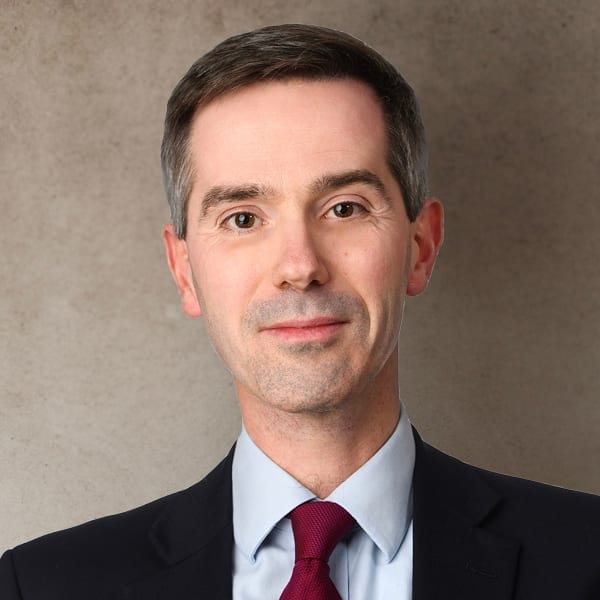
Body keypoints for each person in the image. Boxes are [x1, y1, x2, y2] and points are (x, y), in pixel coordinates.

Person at [1, 23, 599, 600]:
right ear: (184, 270)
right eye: (242, 218)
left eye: (344, 208)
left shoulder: (586, 560)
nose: (299, 265)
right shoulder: (42, 586)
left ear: (421, 247)